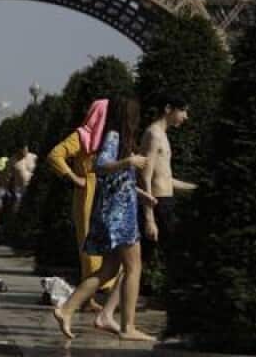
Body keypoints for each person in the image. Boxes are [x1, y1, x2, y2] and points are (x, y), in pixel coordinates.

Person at [53, 98, 157, 342]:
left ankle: (66, 309)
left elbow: (117, 180)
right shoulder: (113, 137)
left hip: (117, 210)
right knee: (134, 268)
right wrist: (129, 161)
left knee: (109, 269)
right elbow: (100, 166)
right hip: (120, 216)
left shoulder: (119, 139)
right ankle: (127, 326)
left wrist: (141, 195)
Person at [46, 98, 119, 303]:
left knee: (113, 245)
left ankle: (101, 295)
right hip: (89, 196)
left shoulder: (112, 138)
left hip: (110, 195)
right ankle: (92, 298)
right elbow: (55, 155)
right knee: (91, 250)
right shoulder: (82, 136)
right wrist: (74, 178)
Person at [139, 95, 194, 257]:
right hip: (157, 203)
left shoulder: (162, 135)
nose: (186, 117)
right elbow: (145, 176)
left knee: (143, 259)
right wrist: (150, 218)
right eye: (183, 110)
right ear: (168, 109)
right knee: (141, 260)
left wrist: (194, 188)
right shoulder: (154, 135)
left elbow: (165, 178)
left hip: (165, 202)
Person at [9, 145, 37, 211]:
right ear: (19, 150)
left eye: (26, 149)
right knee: (17, 208)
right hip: (19, 189)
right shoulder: (12, 160)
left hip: (31, 187)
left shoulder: (34, 157)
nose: (25, 151)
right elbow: (9, 176)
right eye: (24, 150)